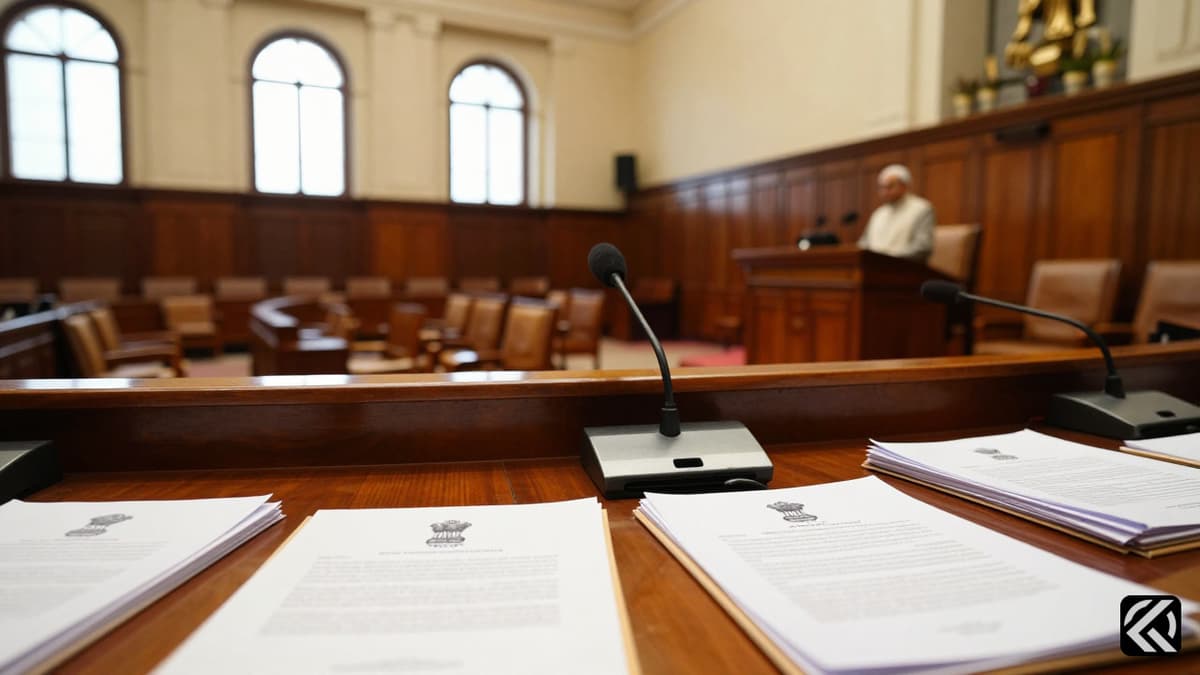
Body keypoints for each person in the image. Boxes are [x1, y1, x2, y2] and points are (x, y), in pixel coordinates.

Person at [857, 164, 935, 262]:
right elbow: (864, 244)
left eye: (890, 187)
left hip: (904, 269)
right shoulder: (878, 213)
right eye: (882, 187)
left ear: (904, 186)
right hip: (874, 268)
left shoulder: (922, 209)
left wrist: (887, 260)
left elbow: (922, 248)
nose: (884, 192)